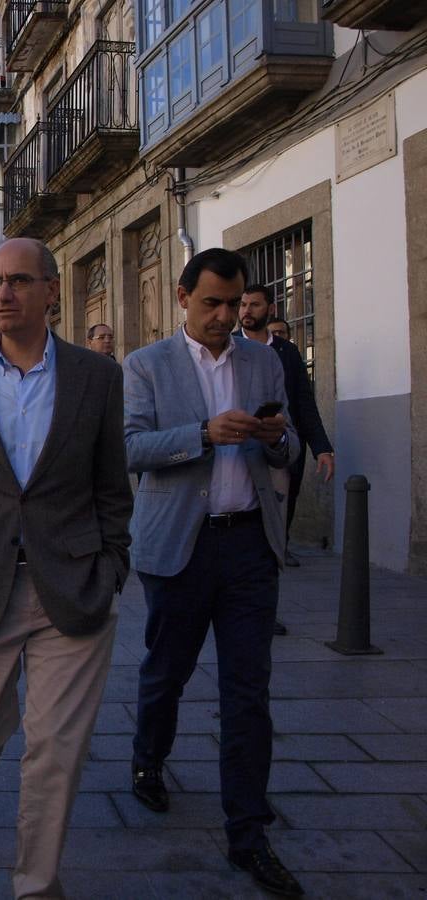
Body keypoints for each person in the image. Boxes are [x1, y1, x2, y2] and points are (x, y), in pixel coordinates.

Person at [0, 238, 132, 897]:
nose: (3, 293)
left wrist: (113, 564)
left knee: (56, 749)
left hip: (72, 584)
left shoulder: (97, 377)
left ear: (52, 291)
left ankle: (36, 885)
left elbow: (111, 483)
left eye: (17, 281)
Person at [125, 248, 303, 898]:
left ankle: (249, 833)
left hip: (250, 544)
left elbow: (289, 445)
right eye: (212, 304)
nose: (225, 316)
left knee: (248, 693)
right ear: (183, 298)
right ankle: (148, 760)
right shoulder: (147, 365)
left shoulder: (263, 360)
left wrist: (276, 438)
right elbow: (129, 448)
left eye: (233, 304)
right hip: (181, 546)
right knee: (167, 671)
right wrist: (202, 433)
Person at [239, 286, 334, 568]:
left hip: (282, 442)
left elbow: (304, 402)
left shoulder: (287, 351)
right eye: (243, 304)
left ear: (271, 309)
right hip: (242, 443)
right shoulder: (229, 345)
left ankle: (280, 544)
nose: (246, 311)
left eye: (254, 305)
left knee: (285, 496)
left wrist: (322, 448)